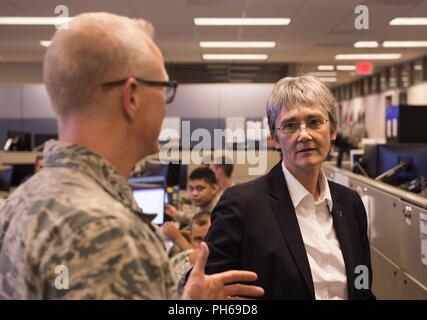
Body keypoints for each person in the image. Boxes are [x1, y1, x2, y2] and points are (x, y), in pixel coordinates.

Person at [0, 12, 264, 300]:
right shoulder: (108, 232)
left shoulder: (22, 200)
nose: (166, 105)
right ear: (133, 96)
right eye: (164, 89)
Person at [205, 75, 375, 300]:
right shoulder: (242, 205)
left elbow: (361, 281)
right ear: (275, 138)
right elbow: (204, 288)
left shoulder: (350, 203)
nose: (304, 135)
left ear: (332, 130)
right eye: (290, 125)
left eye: (314, 121)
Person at [165, 211, 212, 291]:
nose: (203, 245)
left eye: (208, 239)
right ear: (190, 237)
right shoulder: (180, 260)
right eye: (198, 240)